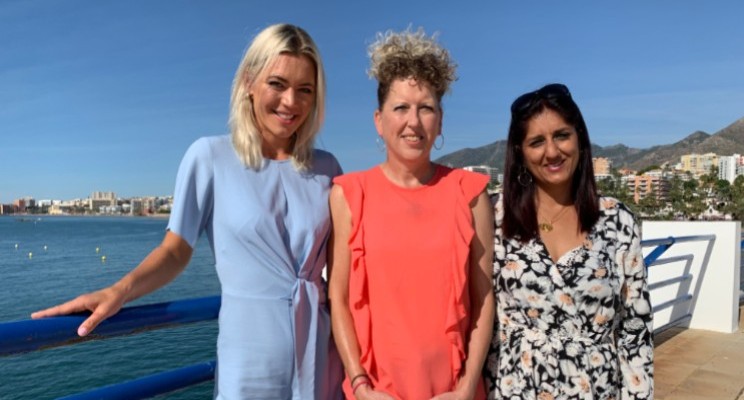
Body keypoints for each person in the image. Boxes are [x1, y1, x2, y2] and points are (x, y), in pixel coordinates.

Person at [32, 23, 344, 400]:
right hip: (249, 356)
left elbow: (344, 273)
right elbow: (175, 250)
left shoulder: (328, 168)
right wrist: (119, 291)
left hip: (320, 353)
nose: (291, 102)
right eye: (277, 84)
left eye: (305, 89)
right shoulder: (210, 157)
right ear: (249, 82)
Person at [328, 28, 495, 400]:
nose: (414, 122)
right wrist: (360, 385)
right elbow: (337, 297)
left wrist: (468, 386)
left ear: (440, 120)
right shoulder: (349, 195)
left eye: (426, 108)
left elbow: (484, 299)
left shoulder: (470, 194)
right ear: (379, 119)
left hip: (454, 393)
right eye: (401, 107)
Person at [484, 83, 654, 399]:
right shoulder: (492, 216)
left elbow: (635, 328)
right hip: (514, 390)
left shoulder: (617, 220)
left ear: (579, 138)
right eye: (537, 141)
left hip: (596, 390)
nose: (552, 152)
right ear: (520, 152)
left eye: (561, 135)